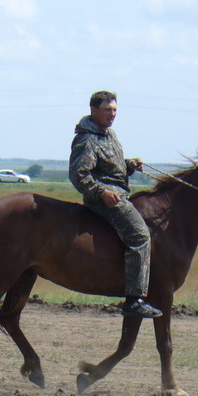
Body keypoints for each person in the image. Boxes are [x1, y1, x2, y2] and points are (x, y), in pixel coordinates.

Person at [69, 90, 163, 318]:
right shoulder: (88, 138)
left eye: (114, 110)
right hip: (105, 200)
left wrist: (129, 165)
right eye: (107, 110)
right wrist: (102, 192)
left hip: (119, 193)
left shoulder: (108, 134)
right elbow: (78, 174)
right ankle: (134, 299)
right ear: (93, 110)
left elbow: (109, 168)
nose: (112, 114)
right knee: (140, 236)